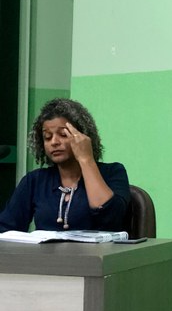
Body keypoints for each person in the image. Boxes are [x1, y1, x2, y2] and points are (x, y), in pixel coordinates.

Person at [0, 98, 130, 232]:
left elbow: (110, 217)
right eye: (47, 137)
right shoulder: (34, 180)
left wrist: (86, 159)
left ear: (83, 137)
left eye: (63, 135)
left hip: (100, 246)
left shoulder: (113, 172)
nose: (54, 142)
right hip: (44, 247)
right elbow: (6, 228)